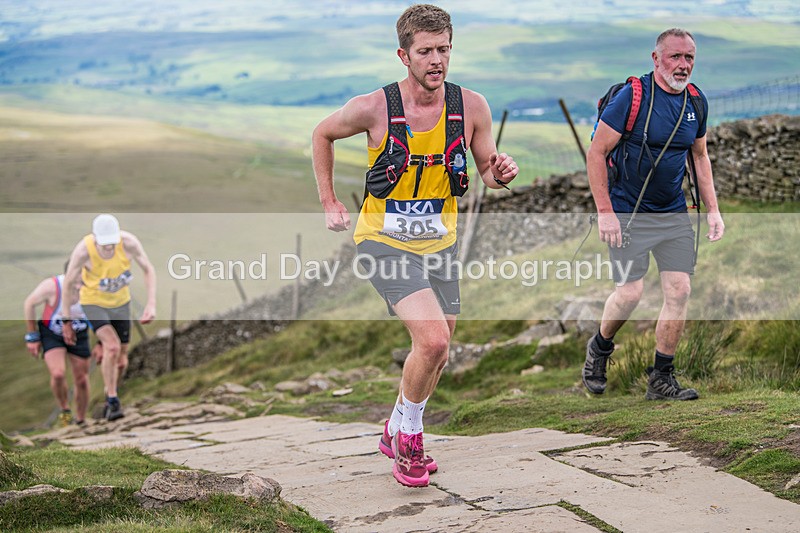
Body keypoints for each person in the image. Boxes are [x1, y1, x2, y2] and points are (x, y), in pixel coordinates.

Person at [312, 4, 518, 487]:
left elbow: (485, 169)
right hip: (383, 240)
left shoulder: (472, 107)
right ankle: (409, 440)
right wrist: (329, 201)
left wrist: (500, 173)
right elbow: (322, 133)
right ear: (403, 55)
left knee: (439, 354)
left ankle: (397, 425)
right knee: (434, 340)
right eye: (425, 51)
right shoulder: (375, 107)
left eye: (444, 49)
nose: (437, 60)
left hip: (440, 243)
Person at [583, 28, 725, 400]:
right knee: (629, 294)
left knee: (680, 290)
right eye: (675, 57)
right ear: (656, 58)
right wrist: (606, 213)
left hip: (673, 211)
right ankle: (600, 347)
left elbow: (699, 156)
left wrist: (713, 210)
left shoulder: (696, 102)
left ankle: (661, 379)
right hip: (628, 211)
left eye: (689, 58)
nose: (683, 65)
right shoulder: (632, 98)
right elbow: (596, 153)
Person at [62, 214, 157, 420]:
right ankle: (113, 402)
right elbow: (68, 283)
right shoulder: (83, 250)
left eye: (112, 244)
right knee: (111, 347)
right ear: (95, 238)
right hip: (93, 302)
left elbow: (148, 269)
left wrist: (150, 304)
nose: (109, 248)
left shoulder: (129, 243)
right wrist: (66, 321)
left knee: (121, 361)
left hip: (121, 303)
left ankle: (109, 390)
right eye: (104, 245)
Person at [23, 263, 92, 427]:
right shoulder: (52, 286)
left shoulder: (93, 288)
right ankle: (65, 411)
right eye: (74, 280)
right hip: (52, 333)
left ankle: (81, 419)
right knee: (58, 374)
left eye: (82, 281)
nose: (78, 285)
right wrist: (32, 337)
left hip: (79, 333)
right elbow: (29, 304)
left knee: (81, 379)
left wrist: (103, 343)